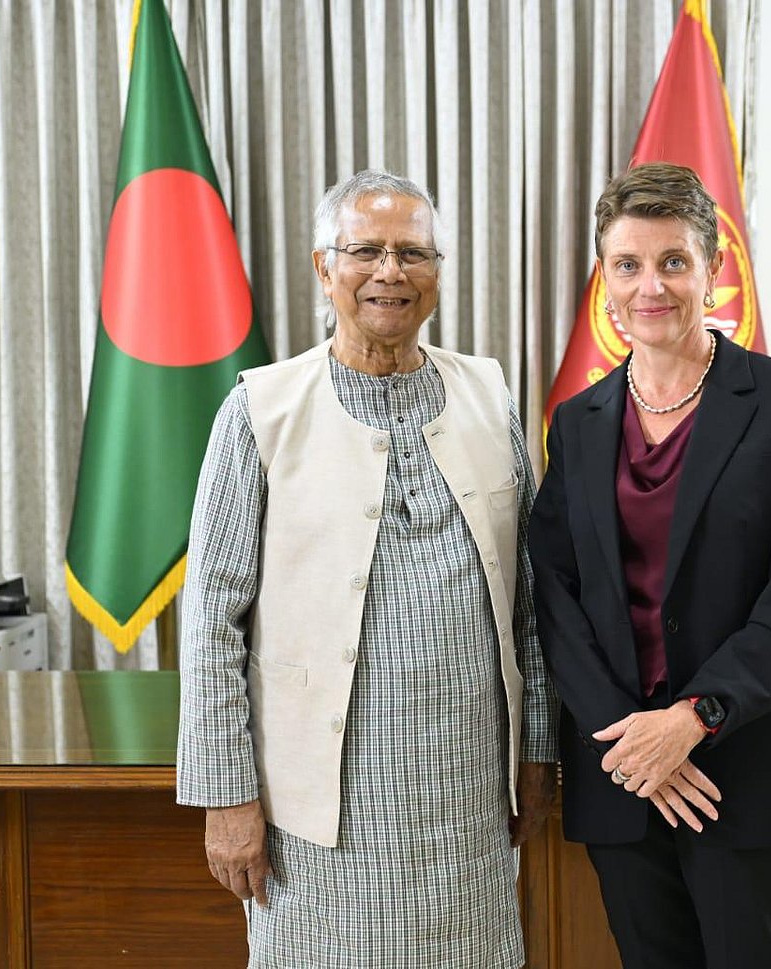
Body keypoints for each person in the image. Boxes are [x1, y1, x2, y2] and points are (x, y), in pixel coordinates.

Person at [177, 169, 558, 969]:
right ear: (325, 268)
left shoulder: (488, 394)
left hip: (468, 808)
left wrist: (539, 752)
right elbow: (210, 623)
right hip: (317, 818)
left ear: (438, 273)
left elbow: (534, 602)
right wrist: (226, 798)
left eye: (413, 253)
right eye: (366, 251)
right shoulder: (259, 410)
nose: (391, 272)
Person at [528, 162, 771, 969]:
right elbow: (557, 596)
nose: (652, 285)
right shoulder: (577, 422)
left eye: (674, 260)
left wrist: (692, 719)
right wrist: (634, 744)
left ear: (714, 271)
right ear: (605, 279)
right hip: (625, 773)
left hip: (745, 764)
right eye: (628, 264)